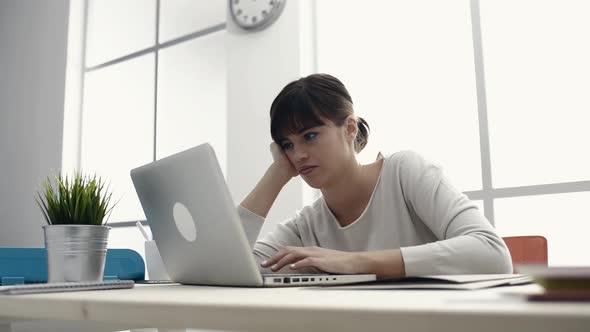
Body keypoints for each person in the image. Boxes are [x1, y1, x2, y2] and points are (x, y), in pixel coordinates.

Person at [237, 73, 512, 279]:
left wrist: (358, 262)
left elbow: (492, 254)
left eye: (310, 136)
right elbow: (233, 269)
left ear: (349, 128)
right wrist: (277, 174)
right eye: (287, 145)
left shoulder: (405, 173)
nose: (298, 155)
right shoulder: (306, 225)